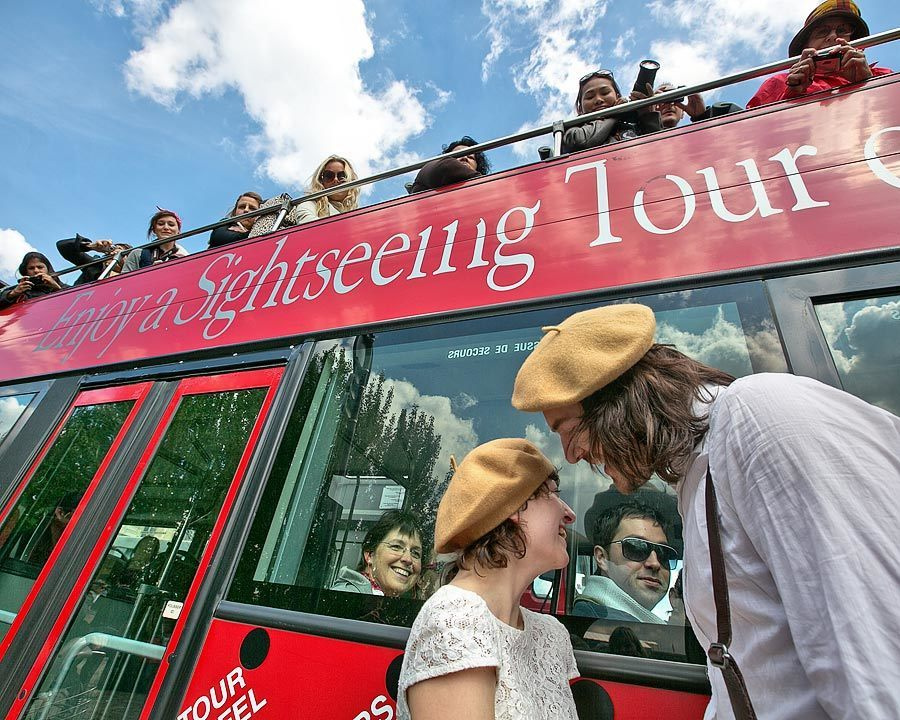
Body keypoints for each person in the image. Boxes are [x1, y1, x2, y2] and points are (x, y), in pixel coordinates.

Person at [511, 303, 900, 719]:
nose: (571, 455)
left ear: (618, 399)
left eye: (570, 429)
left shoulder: (758, 416)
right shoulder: (698, 476)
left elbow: (874, 666)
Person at [398, 438, 578, 720]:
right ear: (513, 506)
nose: (569, 514)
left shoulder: (551, 635)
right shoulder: (454, 620)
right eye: (553, 493)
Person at [747, 0, 892, 109]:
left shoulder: (883, 76)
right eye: (822, 32)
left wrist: (868, 83)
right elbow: (750, 134)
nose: (833, 37)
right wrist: (792, 95)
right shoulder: (780, 82)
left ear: (853, 41)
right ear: (806, 46)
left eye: (842, 31)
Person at [573, 501, 676, 623]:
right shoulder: (593, 623)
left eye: (663, 553)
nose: (655, 563)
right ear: (602, 558)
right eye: (636, 547)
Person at [249, 155, 361, 238]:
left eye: (342, 176)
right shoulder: (310, 203)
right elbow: (308, 223)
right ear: (321, 181)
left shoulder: (358, 213)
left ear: (350, 179)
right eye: (329, 176)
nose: (336, 180)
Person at [561, 70, 661, 154]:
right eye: (590, 97)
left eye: (605, 93)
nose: (598, 100)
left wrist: (647, 115)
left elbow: (660, 149)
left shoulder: (635, 123)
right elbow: (579, 143)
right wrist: (614, 115)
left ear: (617, 97)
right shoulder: (572, 130)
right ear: (580, 108)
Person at [331, 509, 423, 597]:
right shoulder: (345, 597)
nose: (408, 559)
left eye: (415, 553)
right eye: (396, 547)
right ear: (370, 554)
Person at [408, 135, 491, 193]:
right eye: (459, 155)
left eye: (471, 157)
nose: (465, 157)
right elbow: (446, 166)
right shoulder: (432, 170)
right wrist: (488, 184)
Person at [121, 209, 188, 273]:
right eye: (161, 224)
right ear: (154, 230)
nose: (166, 227)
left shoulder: (185, 258)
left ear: (179, 231)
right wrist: (151, 273)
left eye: (171, 225)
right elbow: (124, 282)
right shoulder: (137, 254)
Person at [653, 83, 742, 128]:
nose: (670, 105)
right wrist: (646, 116)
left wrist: (702, 117)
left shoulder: (690, 140)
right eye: (662, 100)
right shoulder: (638, 136)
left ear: (683, 114)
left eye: (675, 99)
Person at [0, 252, 66, 310]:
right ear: (26, 272)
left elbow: (74, 302)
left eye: (40, 267)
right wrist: (12, 294)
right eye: (31, 268)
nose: (36, 271)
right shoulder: (19, 290)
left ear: (48, 269)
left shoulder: (63, 286)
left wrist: (57, 288)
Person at [56, 235, 133, 285]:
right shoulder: (96, 266)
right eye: (112, 249)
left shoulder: (136, 275)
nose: (114, 253)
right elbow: (62, 246)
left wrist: (124, 265)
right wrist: (90, 246)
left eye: (121, 252)